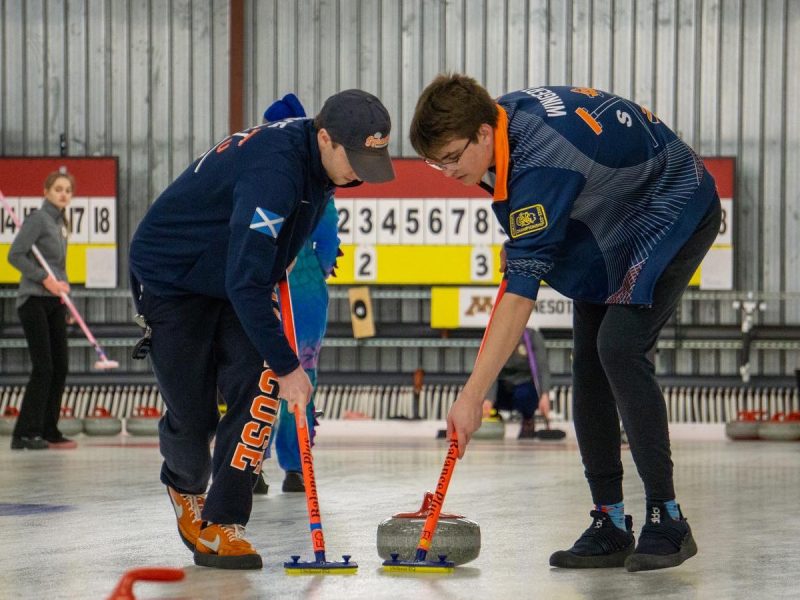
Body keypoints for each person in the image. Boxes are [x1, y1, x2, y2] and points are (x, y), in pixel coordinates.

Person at [410, 74, 720, 572]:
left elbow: (518, 295)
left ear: (484, 133)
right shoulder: (500, 127)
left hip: (673, 207)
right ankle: (610, 522)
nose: (445, 171)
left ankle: (669, 519)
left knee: (618, 348)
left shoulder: (542, 162)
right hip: (610, 218)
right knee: (588, 362)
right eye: (435, 161)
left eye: (450, 157)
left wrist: (472, 396)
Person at [129, 89, 394, 570]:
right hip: (174, 276)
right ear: (325, 138)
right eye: (355, 159)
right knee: (195, 418)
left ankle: (223, 521)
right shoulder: (275, 172)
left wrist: (278, 361)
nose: (360, 172)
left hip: (233, 277)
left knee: (259, 386)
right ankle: (183, 484)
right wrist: (291, 364)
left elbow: (257, 269)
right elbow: (245, 280)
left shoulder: (321, 166)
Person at [253, 95, 341, 496]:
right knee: (300, 372)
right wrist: (310, 269)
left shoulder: (264, 176)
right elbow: (328, 244)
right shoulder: (321, 189)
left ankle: (250, 463)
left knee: (258, 372)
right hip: (304, 289)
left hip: (267, 286)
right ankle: (296, 464)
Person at [7, 171, 77, 451]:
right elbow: (15, 255)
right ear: (47, 191)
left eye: (68, 190)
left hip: (53, 302)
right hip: (33, 300)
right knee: (44, 367)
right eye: (58, 189)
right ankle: (24, 433)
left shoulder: (61, 224)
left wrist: (65, 297)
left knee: (60, 367)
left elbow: (57, 266)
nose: (63, 194)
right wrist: (43, 278)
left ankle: (49, 429)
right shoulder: (38, 219)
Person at [484, 327, 551, 439]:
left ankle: (528, 420)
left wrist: (545, 395)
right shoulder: (495, 337)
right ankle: (493, 415)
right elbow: (490, 370)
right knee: (484, 390)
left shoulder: (533, 337)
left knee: (525, 393)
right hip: (502, 386)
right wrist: (488, 399)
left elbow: (542, 368)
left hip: (524, 384)